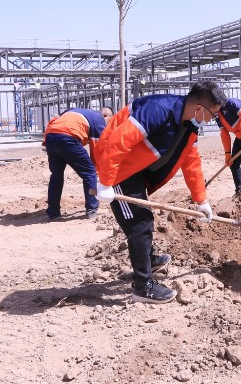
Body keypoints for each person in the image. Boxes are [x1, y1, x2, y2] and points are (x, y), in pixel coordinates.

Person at [93, 82, 227, 304]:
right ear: (199, 108)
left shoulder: (189, 126)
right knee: (139, 223)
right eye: (213, 114)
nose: (213, 119)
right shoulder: (158, 109)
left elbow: (191, 163)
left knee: (143, 217)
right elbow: (118, 141)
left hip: (135, 169)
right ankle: (142, 287)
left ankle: (147, 260)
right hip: (118, 168)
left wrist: (201, 200)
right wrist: (106, 182)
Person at [44, 106, 113, 221]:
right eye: (109, 122)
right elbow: (97, 149)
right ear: (105, 116)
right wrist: (97, 171)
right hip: (68, 138)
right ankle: (92, 209)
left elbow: (54, 121)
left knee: (56, 176)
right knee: (90, 174)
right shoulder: (99, 119)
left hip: (50, 137)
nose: (107, 125)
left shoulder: (74, 111)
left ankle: (53, 213)